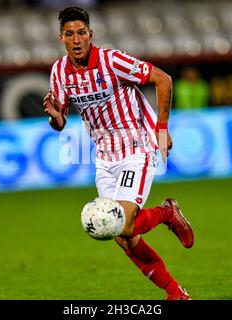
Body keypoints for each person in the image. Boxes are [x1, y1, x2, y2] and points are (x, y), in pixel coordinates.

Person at [43, 6, 194, 300]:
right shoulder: (59, 72)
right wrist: (54, 118)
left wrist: (161, 129)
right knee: (122, 237)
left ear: (91, 34)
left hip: (135, 147)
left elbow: (163, 80)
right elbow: (60, 121)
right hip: (103, 157)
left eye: (81, 33)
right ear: (61, 38)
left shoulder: (113, 61)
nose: (76, 40)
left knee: (121, 223)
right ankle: (176, 293)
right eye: (70, 34)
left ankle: (165, 213)